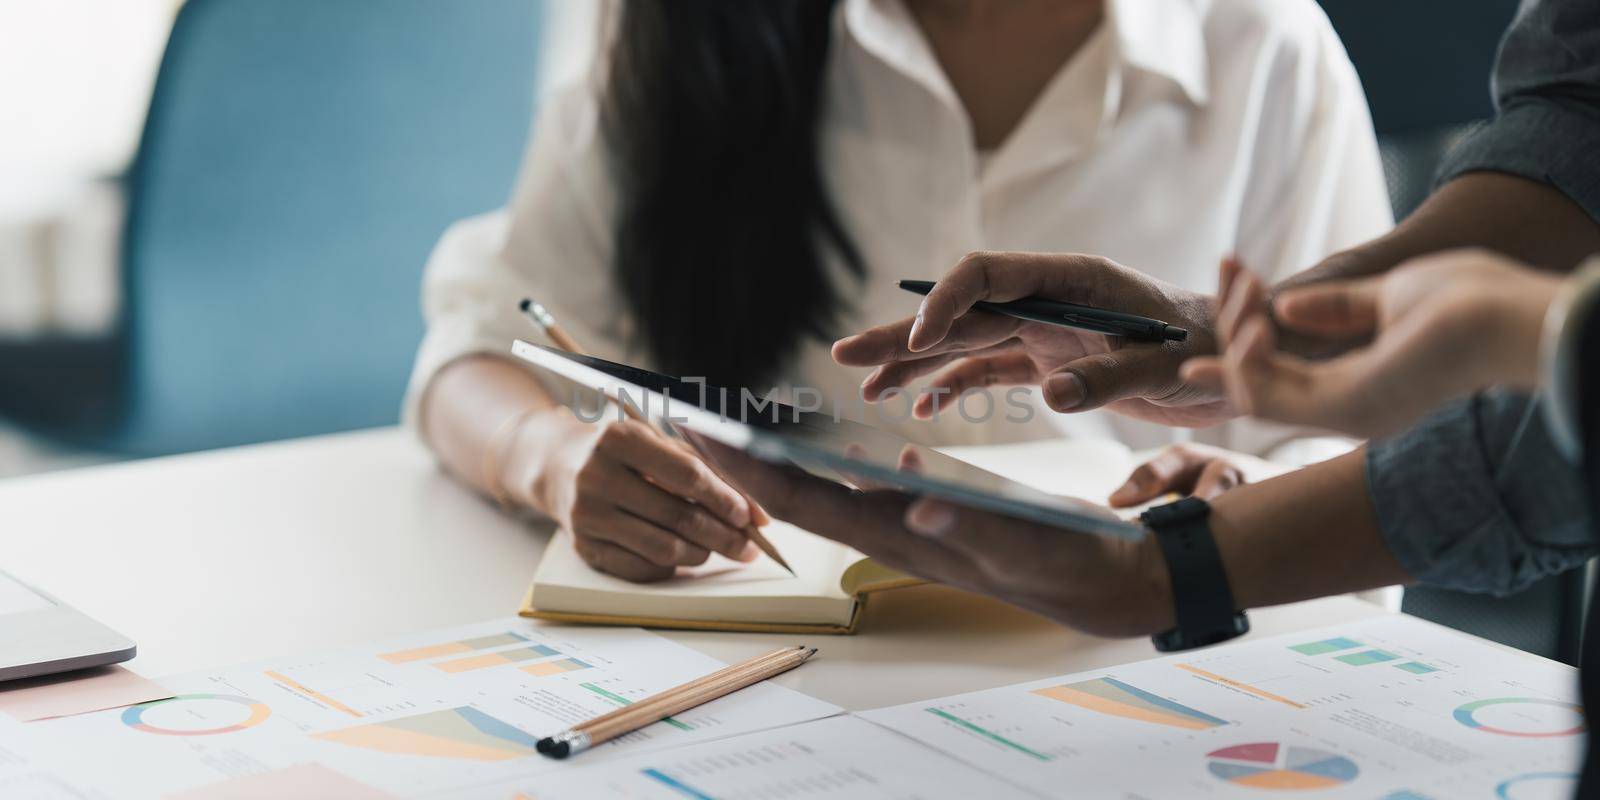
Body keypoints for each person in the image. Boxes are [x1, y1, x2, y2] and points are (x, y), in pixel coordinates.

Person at [405, 0, 1390, 581]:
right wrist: (551, 454)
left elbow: (1371, 425)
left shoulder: (1262, 51)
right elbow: (482, 341)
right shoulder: (691, 30)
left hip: (1133, 654)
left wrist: (1242, 504)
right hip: (780, 657)